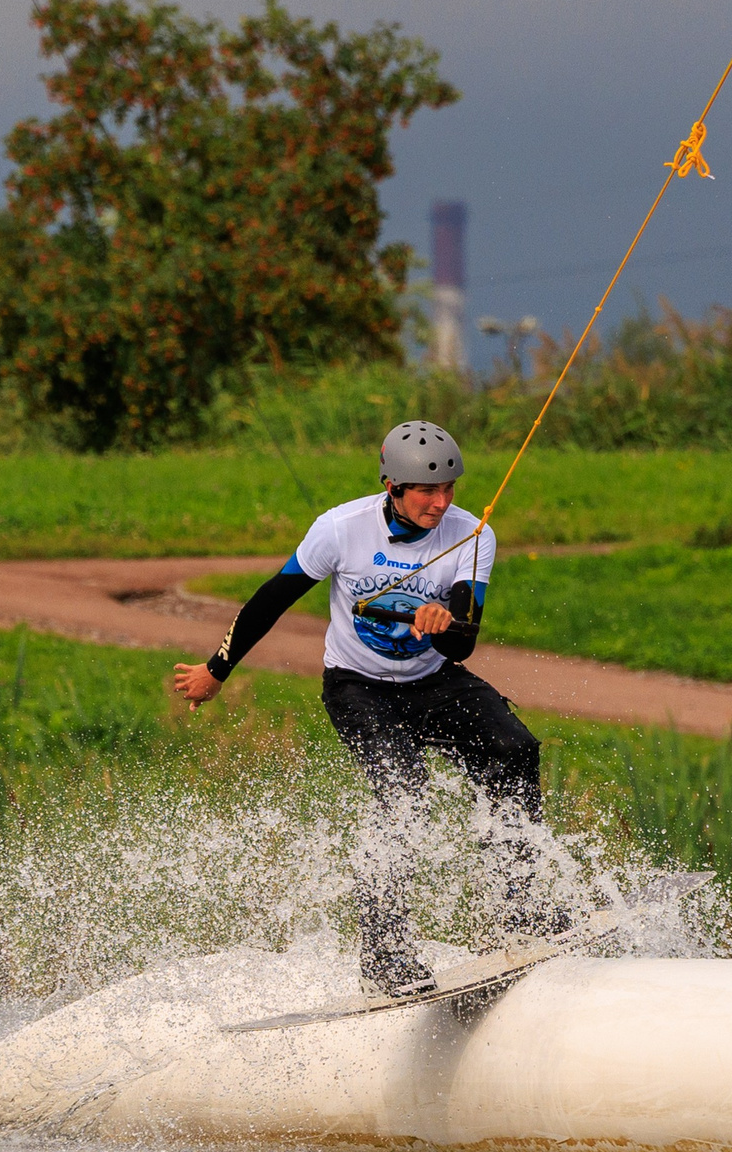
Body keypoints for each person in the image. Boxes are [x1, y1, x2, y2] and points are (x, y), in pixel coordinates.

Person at [171, 420, 565, 996]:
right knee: (404, 790)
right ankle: (384, 955)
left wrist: (446, 624)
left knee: (514, 749)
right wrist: (216, 669)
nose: (441, 501)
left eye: (450, 488)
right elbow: (270, 601)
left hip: (433, 680)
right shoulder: (341, 529)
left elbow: (463, 641)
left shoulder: (474, 535)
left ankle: (522, 909)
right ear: (391, 486)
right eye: (427, 491)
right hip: (358, 687)